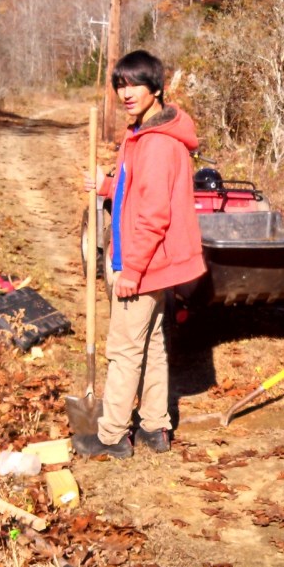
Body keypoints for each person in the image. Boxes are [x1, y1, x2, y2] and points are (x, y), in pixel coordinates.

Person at [74, 50, 205, 459]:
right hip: (154, 262)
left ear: (157, 88)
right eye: (121, 85)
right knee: (152, 344)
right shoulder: (143, 134)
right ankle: (155, 426)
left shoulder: (157, 144)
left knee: (124, 350)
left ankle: (112, 435)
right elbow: (138, 192)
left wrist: (131, 270)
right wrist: (107, 187)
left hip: (142, 262)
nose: (126, 93)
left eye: (135, 84)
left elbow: (154, 215)